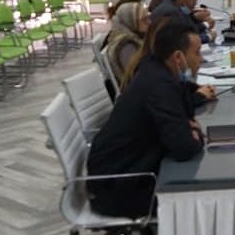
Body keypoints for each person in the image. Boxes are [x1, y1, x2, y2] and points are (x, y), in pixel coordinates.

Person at [87, 22, 205, 217]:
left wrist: (188, 127)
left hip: (120, 173)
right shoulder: (160, 85)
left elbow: (183, 115)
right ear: (178, 57)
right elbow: (184, 148)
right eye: (197, 52)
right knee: (201, 199)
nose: (201, 59)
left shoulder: (154, 68)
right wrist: (197, 134)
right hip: (119, 189)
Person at [105, 1, 150, 84]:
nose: (149, 22)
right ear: (131, 21)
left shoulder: (133, 37)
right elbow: (138, 76)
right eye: (144, 20)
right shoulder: (125, 46)